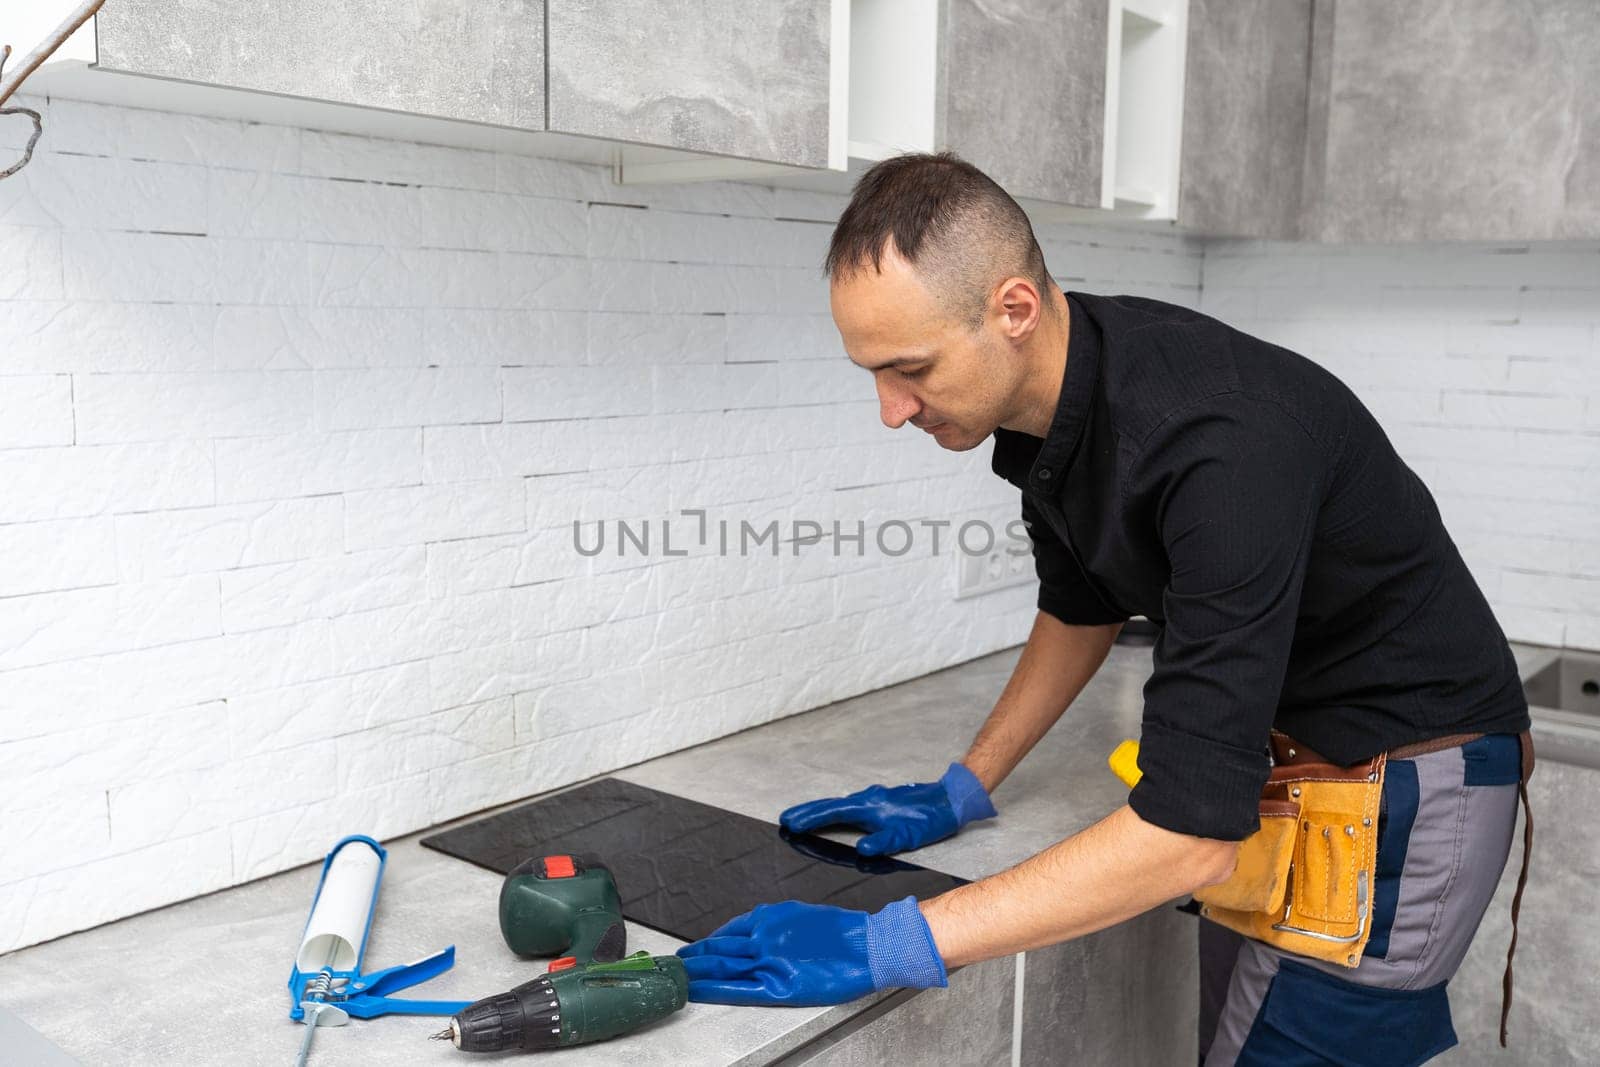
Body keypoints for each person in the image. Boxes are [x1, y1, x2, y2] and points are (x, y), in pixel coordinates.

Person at [675, 152, 1534, 1065]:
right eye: (873, 372)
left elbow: (1189, 833)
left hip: (1408, 781)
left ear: (1013, 309)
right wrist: (969, 782)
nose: (891, 409)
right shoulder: (1061, 402)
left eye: (910, 368)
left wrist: (889, 941)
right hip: (1284, 772)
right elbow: (1081, 603)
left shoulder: (1219, 446)